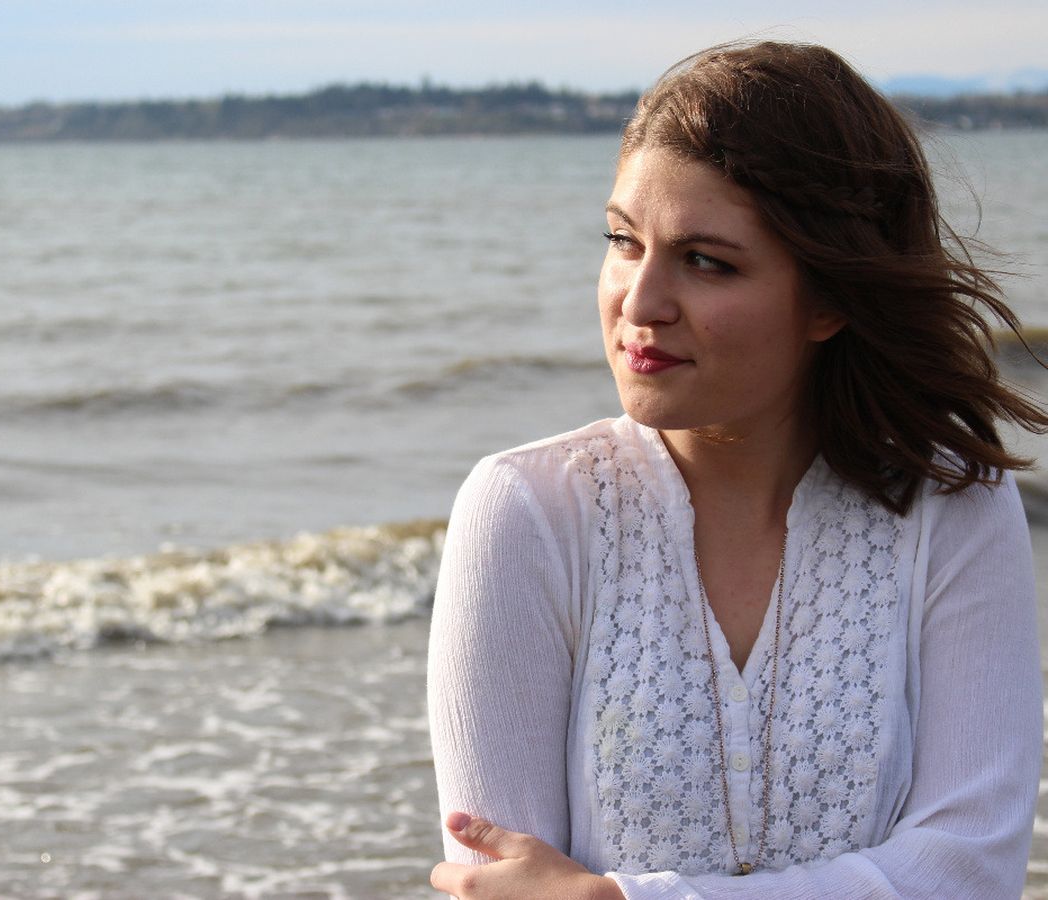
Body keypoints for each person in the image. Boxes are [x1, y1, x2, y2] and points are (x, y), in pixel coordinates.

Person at [427, 40, 1046, 899]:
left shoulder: (950, 505)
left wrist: (621, 897)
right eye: (623, 241)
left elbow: (968, 871)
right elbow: (502, 887)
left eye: (706, 261)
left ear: (829, 298)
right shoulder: (525, 512)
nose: (640, 302)